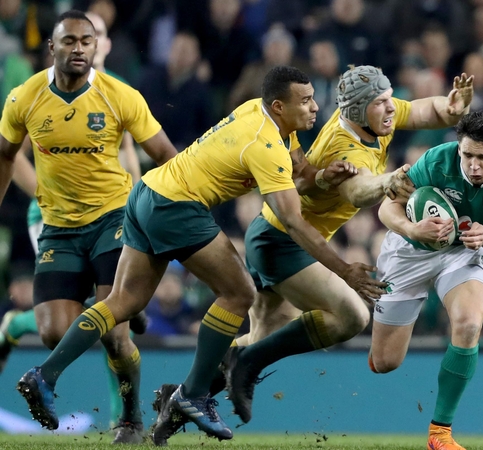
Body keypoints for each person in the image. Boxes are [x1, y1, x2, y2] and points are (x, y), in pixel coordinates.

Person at [13, 65, 383, 445]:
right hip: (178, 207)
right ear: (279, 106)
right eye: (305, 101)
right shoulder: (265, 144)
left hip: (147, 194)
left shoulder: (262, 116)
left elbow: (300, 172)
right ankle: (192, 394)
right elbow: (293, 222)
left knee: (122, 301)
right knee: (239, 292)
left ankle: (45, 375)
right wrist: (344, 270)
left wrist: (322, 176)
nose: (315, 107)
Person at [217, 65, 474, 425]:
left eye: (389, 99)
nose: (390, 107)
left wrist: (452, 107)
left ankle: (186, 393)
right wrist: (388, 181)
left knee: (263, 338)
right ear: (357, 110)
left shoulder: (375, 117)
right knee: (352, 316)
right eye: (380, 102)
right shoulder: (345, 145)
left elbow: (423, 110)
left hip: (277, 234)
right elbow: (358, 190)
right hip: (283, 240)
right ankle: (246, 364)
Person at [0, 10, 178, 444]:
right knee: (53, 333)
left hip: (113, 220)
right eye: (69, 41)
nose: (78, 48)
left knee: (114, 336)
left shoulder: (120, 94)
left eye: (86, 41)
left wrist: (167, 214)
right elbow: (5, 154)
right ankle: (127, 303)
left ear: (96, 47)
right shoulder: (25, 97)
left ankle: (130, 417)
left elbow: (166, 157)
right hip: (57, 226)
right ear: (52, 47)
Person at [369, 110, 483, 450]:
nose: (473, 165)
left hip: (462, 252)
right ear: (459, 148)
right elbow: (387, 208)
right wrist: (411, 228)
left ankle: (440, 433)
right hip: (409, 251)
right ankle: (382, 343)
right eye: (467, 154)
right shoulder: (436, 160)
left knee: (470, 324)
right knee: (385, 363)